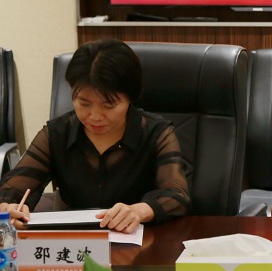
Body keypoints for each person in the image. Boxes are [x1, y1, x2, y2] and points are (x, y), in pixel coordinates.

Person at [0, 39, 191, 232]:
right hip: (74, 242)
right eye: (84, 103)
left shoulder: (156, 133)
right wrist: (9, 207)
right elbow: (11, 190)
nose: (95, 116)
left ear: (130, 98)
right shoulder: (57, 134)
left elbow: (177, 195)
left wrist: (140, 210)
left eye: (109, 105)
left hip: (139, 240)